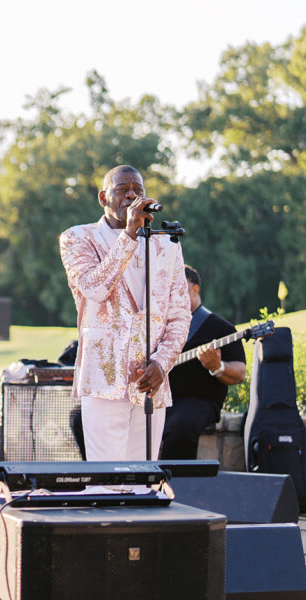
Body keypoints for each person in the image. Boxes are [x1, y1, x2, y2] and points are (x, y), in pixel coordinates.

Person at [59, 165, 191, 460]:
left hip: (151, 380)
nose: (131, 195)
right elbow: (94, 289)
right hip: (105, 377)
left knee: (144, 481)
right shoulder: (78, 238)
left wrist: (162, 363)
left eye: (138, 189)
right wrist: (129, 236)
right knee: (107, 481)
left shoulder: (166, 244)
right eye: (122, 189)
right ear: (103, 197)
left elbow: (180, 314)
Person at [159, 265, 246, 459]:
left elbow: (239, 372)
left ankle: (175, 487)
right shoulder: (158, 327)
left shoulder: (221, 329)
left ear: (195, 289)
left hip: (196, 401)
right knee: (82, 419)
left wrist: (217, 366)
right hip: (156, 399)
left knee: (180, 428)